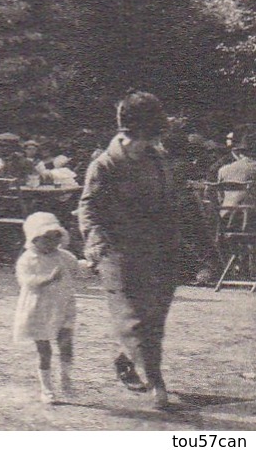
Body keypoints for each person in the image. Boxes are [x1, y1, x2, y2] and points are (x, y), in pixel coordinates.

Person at [79, 91, 192, 410]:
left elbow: (174, 205)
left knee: (154, 318)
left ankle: (128, 358)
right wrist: (96, 243)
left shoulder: (158, 161)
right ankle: (156, 383)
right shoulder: (104, 165)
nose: (150, 146)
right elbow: (88, 208)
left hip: (158, 251)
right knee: (134, 317)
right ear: (127, 135)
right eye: (144, 140)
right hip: (119, 252)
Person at [14, 210, 81, 404]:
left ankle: (66, 379)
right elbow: (27, 282)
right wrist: (48, 278)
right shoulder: (27, 259)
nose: (52, 244)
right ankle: (46, 388)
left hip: (63, 306)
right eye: (46, 239)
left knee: (66, 343)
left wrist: (92, 264)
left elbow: (77, 268)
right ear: (33, 239)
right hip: (39, 310)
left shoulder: (64, 256)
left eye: (55, 238)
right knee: (45, 350)